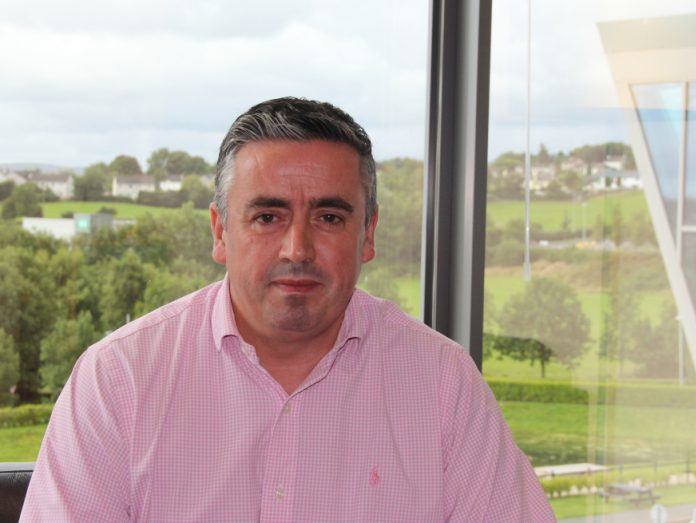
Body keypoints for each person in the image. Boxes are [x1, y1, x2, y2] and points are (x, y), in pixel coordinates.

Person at [21, 97, 556, 522]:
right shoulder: (119, 379)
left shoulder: (442, 383)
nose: (296, 248)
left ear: (367, 234)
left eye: (328, 217)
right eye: (267, 217)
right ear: (219, 231)